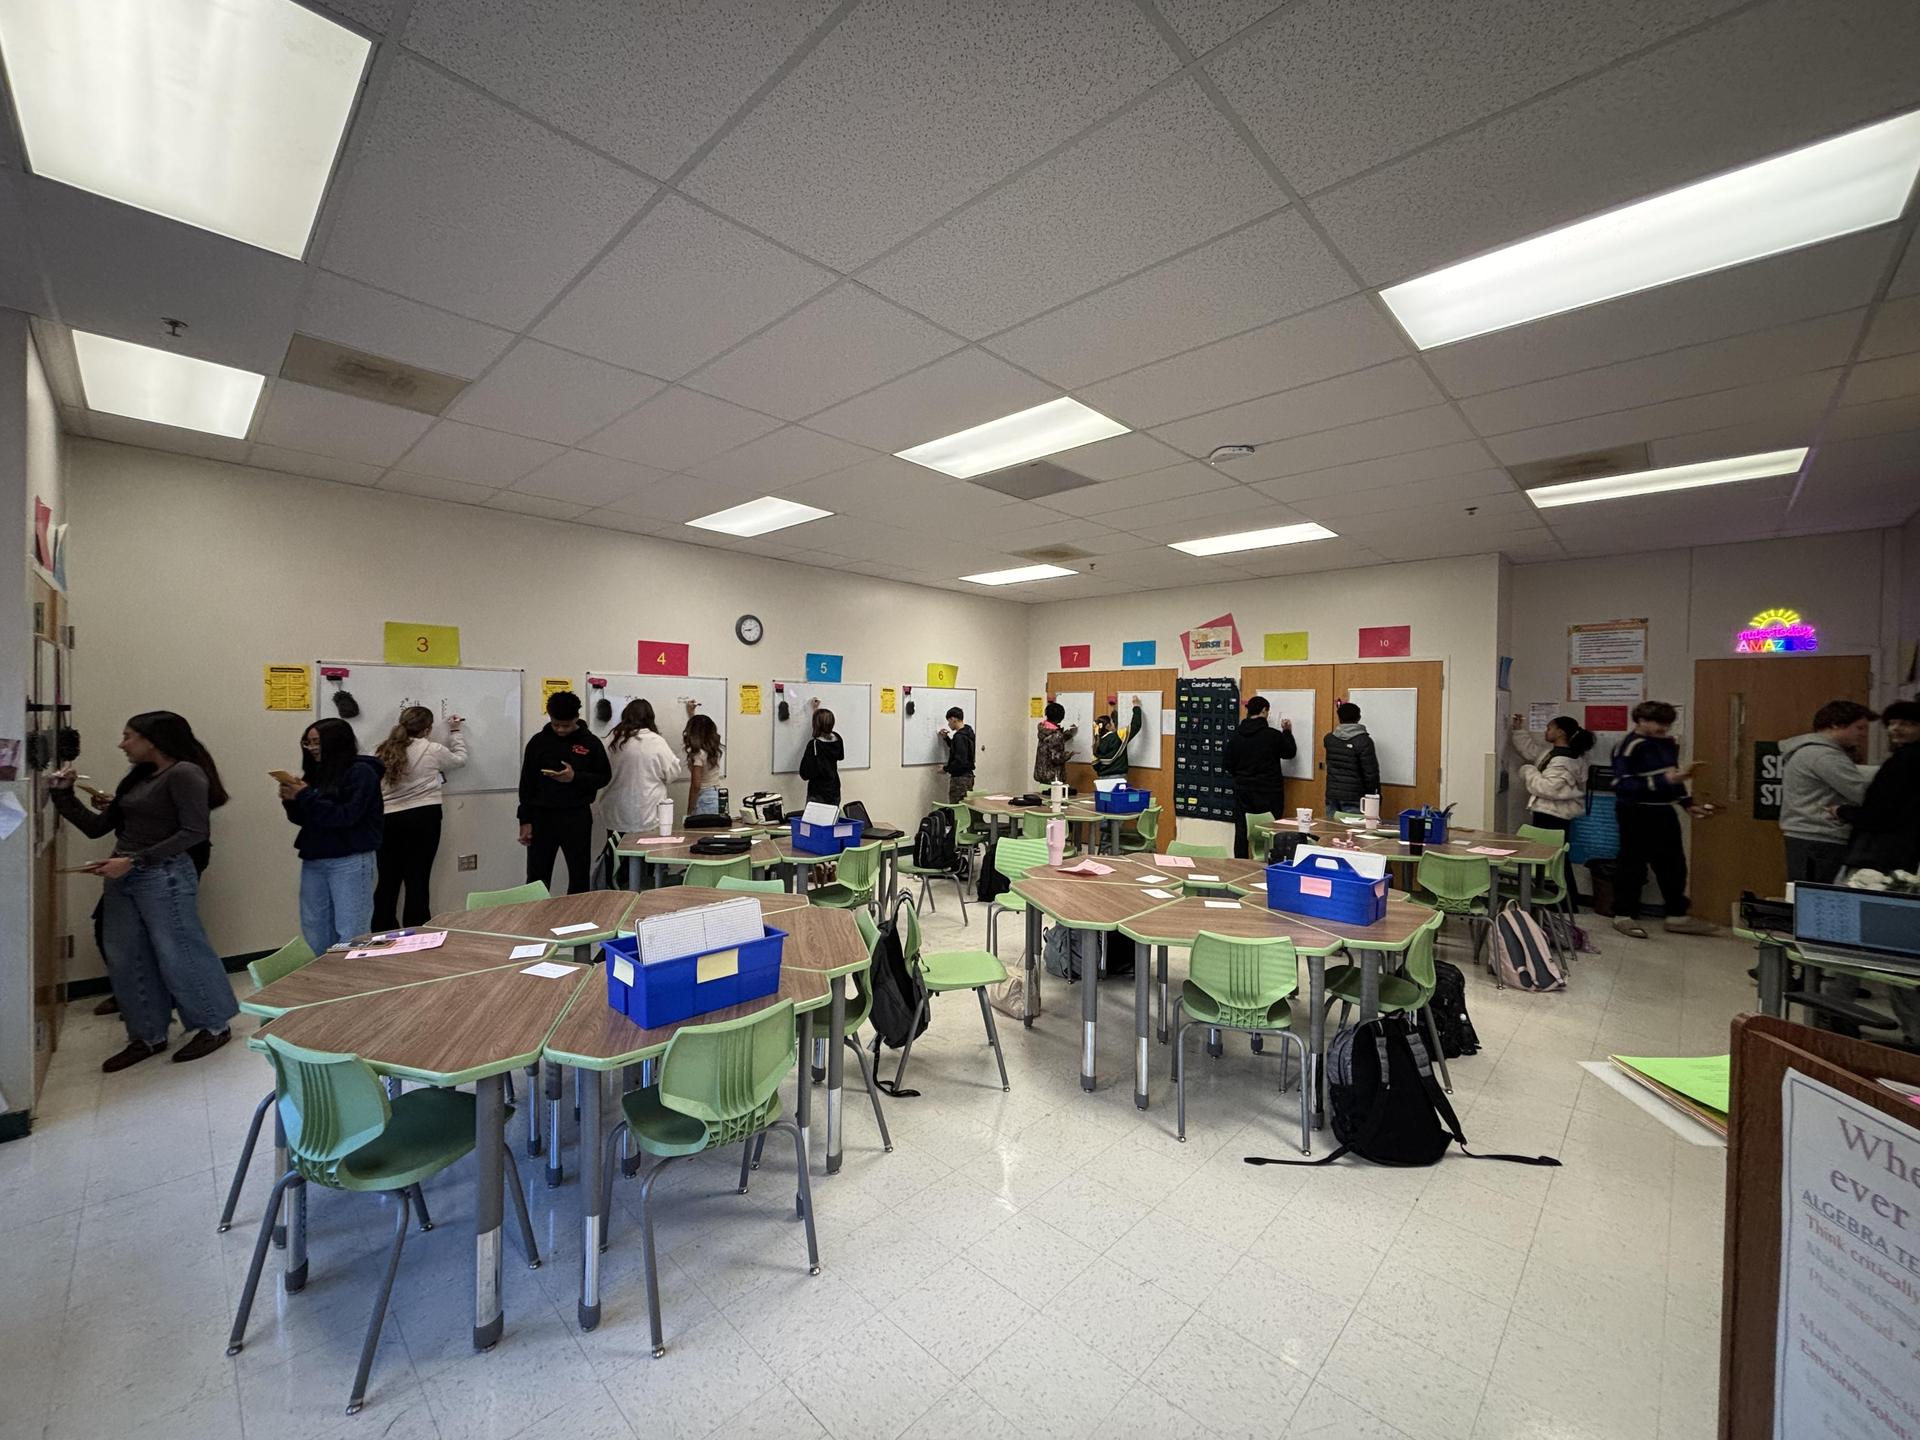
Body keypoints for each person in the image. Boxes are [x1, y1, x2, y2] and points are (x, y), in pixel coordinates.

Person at [50, 711, 238, 1071]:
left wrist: (135, 860)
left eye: (128, 736)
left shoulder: (185, 773)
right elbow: (97, 828)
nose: (122, 744)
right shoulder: (139, 777)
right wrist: (63, 795)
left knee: (179, 952)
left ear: (153, 740)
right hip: (125, 873)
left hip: (162, 874)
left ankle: (213, 1025)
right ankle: (147, 1034)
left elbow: (194, 831)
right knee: (125, 955)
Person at [1608, 700, 1718, 939]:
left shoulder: (1666, 744)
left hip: (1663, 811)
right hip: (1635, 811)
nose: (1664, 728)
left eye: (1667, 724)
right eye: (1659, 723)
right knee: (1632, 864)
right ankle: (1623, 915)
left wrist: (1687, 804)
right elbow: (1622, 784)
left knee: (1674, 864)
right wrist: (1665, 781)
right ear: (1641, 720)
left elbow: (1673, 777)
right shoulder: (1628, 746)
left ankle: (1677, 915)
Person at [282, 717, 384, 952]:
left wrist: (306, 796)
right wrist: (292, 801)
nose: (312, 748)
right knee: (315, 930)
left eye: (317, 742)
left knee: (351, 931)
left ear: (335, 742)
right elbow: (305, 819)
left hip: (349, 859)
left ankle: (351, 984)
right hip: (315, 857)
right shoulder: (316, 772)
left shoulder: (362, 773)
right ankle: (322, 983)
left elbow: (346, 816)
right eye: (307, 743)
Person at [371, 705, 467, 929]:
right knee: (418, 878)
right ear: (428, 728)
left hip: (388, 819)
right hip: (424, 818)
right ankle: (416, 932)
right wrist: (455, 732)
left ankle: (382, 930)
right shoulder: (432, 749)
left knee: (387, 879)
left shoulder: (381, 750)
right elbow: (460, 760)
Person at [519, 689, 611, 894]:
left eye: (566, 725)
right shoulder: (538, 742)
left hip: (576, 815)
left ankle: (577, 923)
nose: (560, 729)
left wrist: (575, 778)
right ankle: (535, 921)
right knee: (537, 877)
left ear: (577, 718)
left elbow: (604, 776)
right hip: (541, 816)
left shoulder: (590, 743)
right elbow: (526, 784)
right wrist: (524, 820)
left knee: (579, 875)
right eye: (556, 724)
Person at [1776, 700, 1874, 885]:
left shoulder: (1811, 752)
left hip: (1808, 836)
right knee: (1821, 899)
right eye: (1859, 728)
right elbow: (1860, 791)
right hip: (1821, 838)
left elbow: (1850, 773)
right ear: (1836, 724)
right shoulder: (1824, 756)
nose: (1863, 735)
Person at [599, 698, 684, 874]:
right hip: (647, 814)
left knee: (617, 865)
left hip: (615, 815)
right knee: (648, 865)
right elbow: (672, 773)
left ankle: (618, 897)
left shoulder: (610, 740)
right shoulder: (655, 741)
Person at [1838, 701, 1920, 875]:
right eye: (1892, 723)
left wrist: (1842, 811)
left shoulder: (1903, 761)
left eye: (1906, 724)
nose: (1895, 728)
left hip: (1885, 850)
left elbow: (1882, 811)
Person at [1224, 695, 1295, 859]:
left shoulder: (1236, 737)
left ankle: (1240, 865)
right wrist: (1287, 732)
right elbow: (1290, 752)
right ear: (1264, 711)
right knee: (1270, 830)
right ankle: (1268, 864)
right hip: (1269, 791)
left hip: (1243, 790)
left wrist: (1241, 776)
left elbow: (1227, 764)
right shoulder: (1273, 735)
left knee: (1242, 830)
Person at [1508, 714, 1594, 833]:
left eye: (1549, 728)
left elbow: (1548, 788)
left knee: (1548, 849)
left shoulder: (1565, 761)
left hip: (1554, 815)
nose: (1546, 732)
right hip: (1548, 812)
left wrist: (1528, 770)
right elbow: (1530, 750)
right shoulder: (1553, 753)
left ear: (1560, 732)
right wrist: (1518, 730)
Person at [1323, 701, 1380, 812]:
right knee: (1353, 829)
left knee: (1330, 828)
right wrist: (1374, 794)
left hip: (1332, 793)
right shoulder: (1364, 741)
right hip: (1355, 796)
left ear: (1339, 718)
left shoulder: (1329, 739)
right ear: (1358, 717)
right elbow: (1370, 774)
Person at [1090, 695, 1145, 784]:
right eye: (1112, 722)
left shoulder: (1096, 742)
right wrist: (1136, 706)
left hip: (1102, 780)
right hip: (1118, 779)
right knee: (1118, 798)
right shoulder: (1118, 736)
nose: (1114, 723)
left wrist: (1114, 710)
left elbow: (1095, 764)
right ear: (1108, 726)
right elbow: (1135, 725)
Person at [798, 701, 844, 807]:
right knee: (831, 821)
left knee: (814, 822)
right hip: (834, 789)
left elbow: (804, 773)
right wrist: (815, 710)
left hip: (818, 792)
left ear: (815, 724)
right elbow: (840, 756)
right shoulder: (837, 738)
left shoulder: (814, 745)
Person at [682, 704, 724, 818]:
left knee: (699, 834)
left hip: (704, 800)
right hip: (716, 796)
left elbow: (696, 785)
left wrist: (689, 810)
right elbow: (701, 728)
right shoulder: (713, 749)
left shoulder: (698, 755)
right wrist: (691, 714)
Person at [936, 706, 975, 803]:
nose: (948, 724)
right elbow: (958, 749)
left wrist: (945, 769)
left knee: (957, 808)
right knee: (966, 807)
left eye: (949, 721)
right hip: (969, 777)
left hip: (960, 779)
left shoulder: (959, 737)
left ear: (953, 719)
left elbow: (959, 761)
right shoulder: (968, 732)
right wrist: (947, 739)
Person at [1033, 701, 1076, 787]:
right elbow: (1056, 758)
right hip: (1053, 778)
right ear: (1061, 717)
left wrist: (1067, 735)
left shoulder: (1044, 729)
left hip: (1041, 775)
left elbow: (1051, 742)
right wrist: (1068, 755)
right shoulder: (1056, 735)